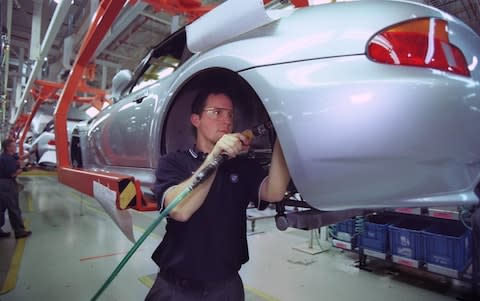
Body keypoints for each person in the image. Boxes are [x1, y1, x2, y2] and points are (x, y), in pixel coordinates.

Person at [145, 89, 291, 301]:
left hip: (226, 288)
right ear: (196, 119)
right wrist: (215, 156)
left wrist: (283, 134)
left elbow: (275, 192)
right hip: (175, 288)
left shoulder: (243, 166)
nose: (226, 121)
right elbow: (179, 210)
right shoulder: (173, 163)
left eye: (230, 115)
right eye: (216, 112)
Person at [0, 138, 32, 239]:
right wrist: (22, 168)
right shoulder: (8, 159)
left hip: (2, 184)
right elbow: (13, 174)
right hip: (7, 184)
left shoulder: (6, 156)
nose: (15, 148)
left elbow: (18, 158)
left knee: (1, 208)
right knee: (13, 208)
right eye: (14, 146)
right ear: (8, 147)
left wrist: (28, 155)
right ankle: (19, 231)